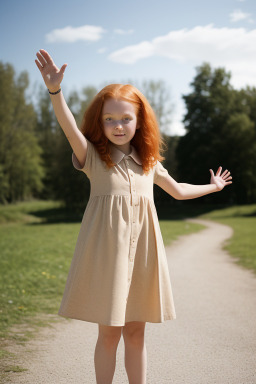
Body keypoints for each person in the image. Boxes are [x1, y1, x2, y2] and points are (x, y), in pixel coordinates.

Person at [35, 49, 233, 384]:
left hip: (142, 254)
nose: (117, 125)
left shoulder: (148, 161)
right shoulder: (92, 156)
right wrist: (55, 92)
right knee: (110, 334)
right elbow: (69, 127)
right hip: (108, 257)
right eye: (109, 119)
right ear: (100, 122)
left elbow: (178, 190)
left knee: (137, 333)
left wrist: (212, 187)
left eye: (125, 118)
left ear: (139, 120)